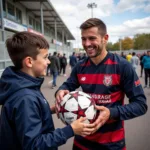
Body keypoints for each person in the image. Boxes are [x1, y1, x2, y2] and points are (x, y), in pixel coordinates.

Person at [55, 18, 147, 150]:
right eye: (83, 39)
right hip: (81, 142)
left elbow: (140, 105)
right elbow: (67, 85)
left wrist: (111, 112)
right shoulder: (80, 66)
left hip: (112, 143)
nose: (87, 44)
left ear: (105, 38)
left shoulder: (122, 66)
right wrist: (60, 90)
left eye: (92, 38)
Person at [0, 31, 96, 150]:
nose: (49, 61)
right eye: (45, 57)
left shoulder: (23, 87)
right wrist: (70, 130)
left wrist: (48, 109)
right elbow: (34, 145)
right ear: (29, 61)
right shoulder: (25, 98)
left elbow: (26, 117)